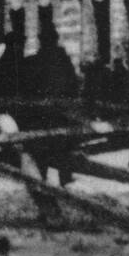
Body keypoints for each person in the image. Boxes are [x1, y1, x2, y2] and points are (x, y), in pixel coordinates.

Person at [22, 22, 80, 184]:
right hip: (62, 114)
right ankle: (64, 179)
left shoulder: (34, 62)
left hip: (41, 115)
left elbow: (28, 89)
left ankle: (45, 180)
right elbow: (74, 86)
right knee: (63, 148)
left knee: (42, 150)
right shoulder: (64, 61)